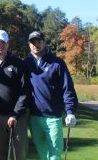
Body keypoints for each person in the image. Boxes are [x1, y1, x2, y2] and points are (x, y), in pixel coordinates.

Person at [24, 31, 78, 160]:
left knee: (54, 155)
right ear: (29, 44)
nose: (36, 44)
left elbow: (68, 88)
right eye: (33, 42)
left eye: (39, 41)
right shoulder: (25, 63)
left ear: (44, 42)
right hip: (34, 116)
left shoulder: (57, 63)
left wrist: (70, 111)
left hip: (53, 116)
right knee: (43, 154)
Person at [0, 30, 29, 160]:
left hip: (17, 117)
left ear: (8, 44)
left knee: (18, 155)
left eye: (3, 42)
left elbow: (24, 91)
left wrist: (15, 113)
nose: (0, 45)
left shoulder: (18, 63)